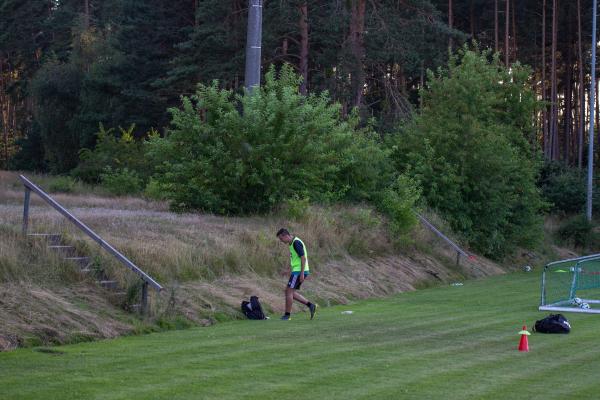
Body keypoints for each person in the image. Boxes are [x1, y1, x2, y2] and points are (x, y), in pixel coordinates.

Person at [276, 228, 317, 320]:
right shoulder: (292, 243)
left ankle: (287, 315)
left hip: (299, 272)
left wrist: (302, 273)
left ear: (286, 236)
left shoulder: (296, 243)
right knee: (289, 292)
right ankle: (311, 306)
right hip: (297, 271)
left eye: (281, 239)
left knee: (289, 292)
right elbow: (296, 259)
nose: (281, 241)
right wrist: (288, 270)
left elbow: (303, 258)